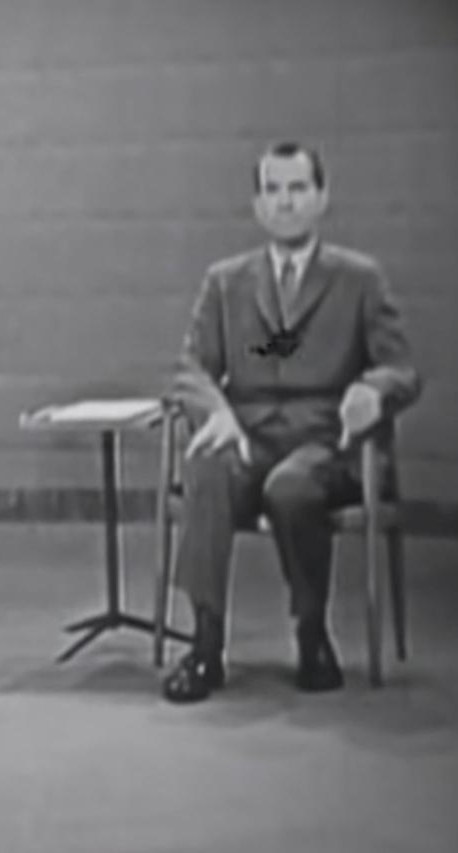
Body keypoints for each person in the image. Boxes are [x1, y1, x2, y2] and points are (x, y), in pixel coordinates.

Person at [164, 141, 421, 703]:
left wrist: (371, 391)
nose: (286, 203)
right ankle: (205, 646)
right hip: (248, 433)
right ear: (257, 205)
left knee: (291, 488)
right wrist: (219, 413)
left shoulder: (359, 278)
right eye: (273, 191)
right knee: (205, 463)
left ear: (322, 198)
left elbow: (402, 369)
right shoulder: (225, 281)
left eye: (298, 189)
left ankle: (312, 634)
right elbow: (190, 368)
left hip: (327, 439)